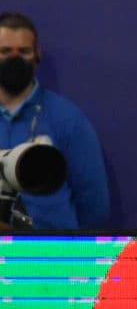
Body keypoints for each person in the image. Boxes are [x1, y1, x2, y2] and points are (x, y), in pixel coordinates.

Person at [0, 12, 110, 231]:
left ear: (37, 56)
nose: (14, 58)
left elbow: (94, 204)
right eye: (4, 51)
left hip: (50, 252)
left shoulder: (67, 119)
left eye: (23, 51)